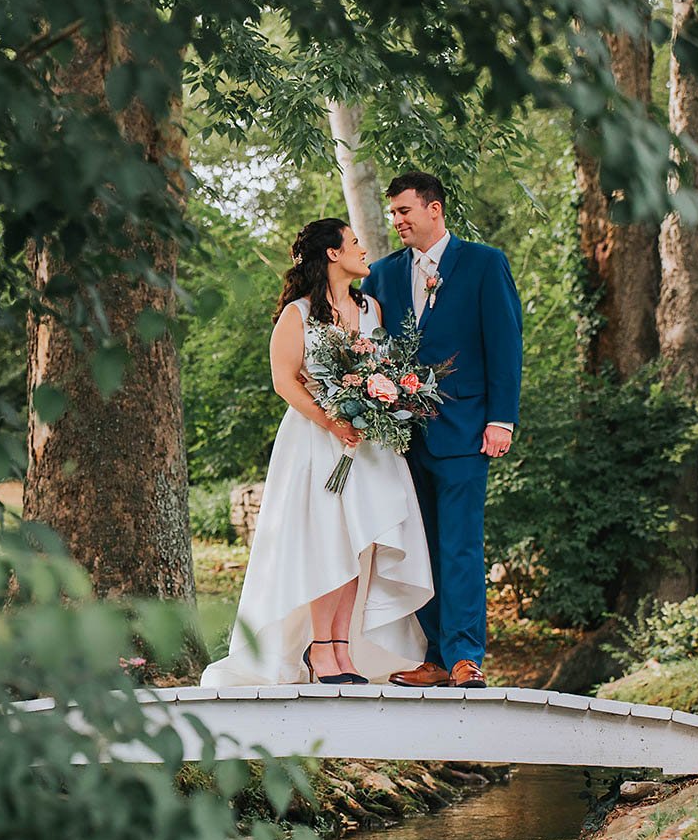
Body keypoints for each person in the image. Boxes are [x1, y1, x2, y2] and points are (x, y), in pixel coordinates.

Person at [200, 218, 433, 686]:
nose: (363, 249)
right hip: (314, 439)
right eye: (354, 243)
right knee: (326, 541)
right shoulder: (298, 314)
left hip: (365, 444)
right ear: (332, 254)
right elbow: (284, 380)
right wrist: (333, 420)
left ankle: (342, 649)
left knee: (359, 543)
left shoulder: (371, 311)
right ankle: (319, 650)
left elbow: (378, 367)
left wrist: (377, 403)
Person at [362, 172, 523, 688]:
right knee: (421, 549)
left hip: (467, 431)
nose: (398, 220)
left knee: (460, 546)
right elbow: (369, 349)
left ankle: (465, 656)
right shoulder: (382, 275)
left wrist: (502, 418)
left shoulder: (483, 263)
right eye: (393, 213)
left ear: (436, 209)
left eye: (405, 210)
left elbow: (504, 342)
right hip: (402, 438)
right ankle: (431, 655)